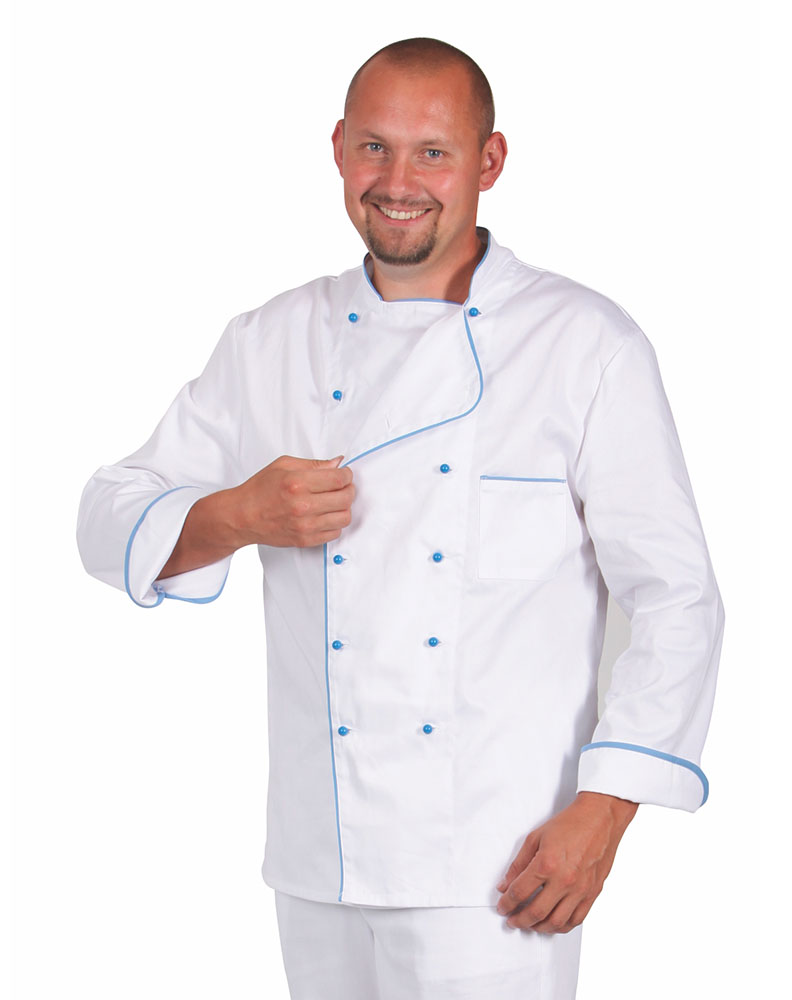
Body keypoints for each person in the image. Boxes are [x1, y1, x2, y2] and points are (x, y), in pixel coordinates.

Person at [76, 36, 725, 1000]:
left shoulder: (583, 343)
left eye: (432, 152)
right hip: (318, 857)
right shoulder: (270, 340)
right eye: (374, 147)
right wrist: (237, 512)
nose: (397, 181)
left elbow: (675, 596)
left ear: (488, 162)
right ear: (337, 148)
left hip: (502, 864)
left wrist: (607, 805)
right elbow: (105, 516)